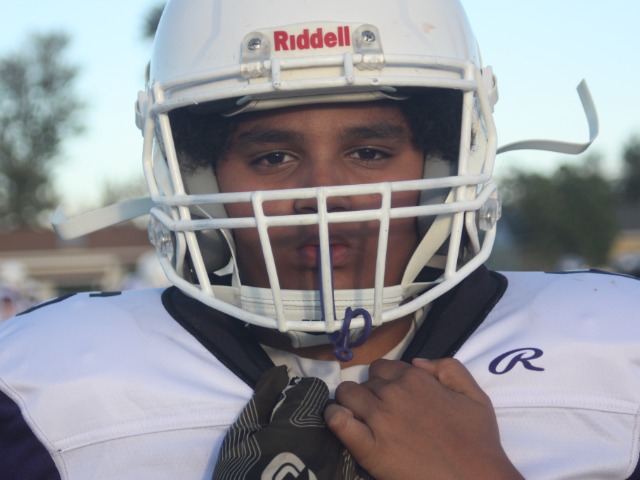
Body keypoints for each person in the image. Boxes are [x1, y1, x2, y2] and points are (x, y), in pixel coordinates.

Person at [1, 0, 639, 478]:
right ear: (198, 180)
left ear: (444, 165)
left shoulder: (620, 350)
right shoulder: (35, 389)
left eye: (369, 152)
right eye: (273, 157)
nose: (324, 195)